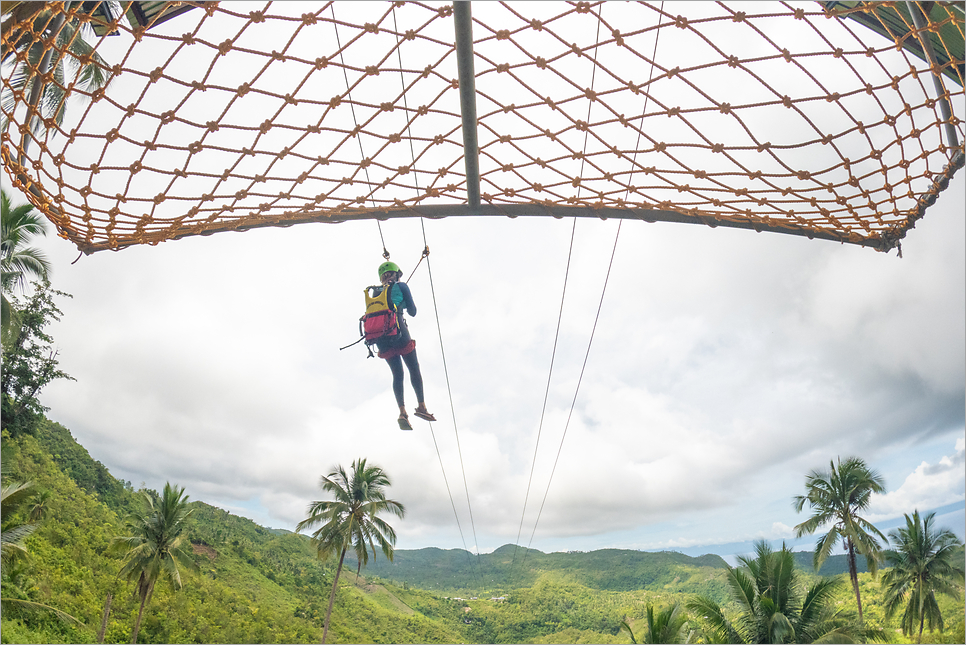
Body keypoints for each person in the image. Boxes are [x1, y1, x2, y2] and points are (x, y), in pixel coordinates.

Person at [373, 261, 436, 430]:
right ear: (397, 274)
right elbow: (413, 312)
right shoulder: (402, 286)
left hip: (381, 339)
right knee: (413, 368)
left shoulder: (376, 292)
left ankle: (402, 412)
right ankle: (421, 406)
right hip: (399, 331)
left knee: (397, 374)